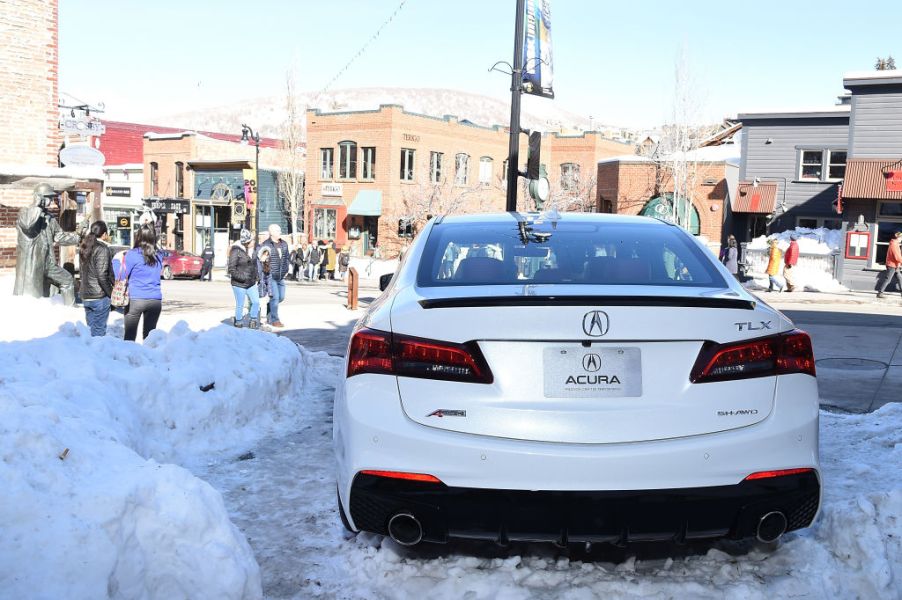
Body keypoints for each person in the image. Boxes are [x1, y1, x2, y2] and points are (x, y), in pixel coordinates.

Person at [14, 183, 81, 305]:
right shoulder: (25, 212)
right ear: (39, 197)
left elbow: (59, 236)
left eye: (51, 197)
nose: (51, 200)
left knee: (67, 280)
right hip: (33, 264)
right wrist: (36, 205)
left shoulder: (50, 217)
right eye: (48, 197)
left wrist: (78, 236)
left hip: (48, 263)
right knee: (32, 299)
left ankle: (69, 312)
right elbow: (28, 225)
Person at [123, 226, 163, 342]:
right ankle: (149, 358)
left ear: (138, 237)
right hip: (155, 300)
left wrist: (116, 261)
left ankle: (128, 358)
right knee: (149, 337)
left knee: (130, 336)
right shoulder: (159, 255)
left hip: (136, 299)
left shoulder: (132, 254)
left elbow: (121, 275)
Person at [78, 221, 114, 336]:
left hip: (86, 296)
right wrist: (111, 294)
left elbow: (82, 272)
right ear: (104, 234)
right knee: (98, 333)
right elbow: (102, 275)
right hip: (99, 296)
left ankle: (89, 353)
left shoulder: (84, 246)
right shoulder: (102, 249)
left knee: (90, 332)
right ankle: (97, 354)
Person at [228, 228, 260, 328]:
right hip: (239, 283)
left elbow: (254, 265)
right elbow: (231, 269)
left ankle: (253, 320)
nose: (254, 242)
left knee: (256, 302)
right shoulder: (235, 251)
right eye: (252, 240)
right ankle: (238, 322)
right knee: (240, 304)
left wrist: (256, 277)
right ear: (247, 242)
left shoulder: (252, 250)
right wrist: (242, 277)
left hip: (251, 282)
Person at [261, 224, 290, 328]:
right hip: (271, 276)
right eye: (278, 230)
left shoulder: (284, 244)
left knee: (281, 297)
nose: (280, 232)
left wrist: (286, 269)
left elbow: (287, 258)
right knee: (275, 297)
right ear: (271, 232)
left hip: (281, 276)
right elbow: (261, 259)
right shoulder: (266, 244)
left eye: (280, 230)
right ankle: (275, 320)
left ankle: (270, 307)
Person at [877, 230, 902, 298]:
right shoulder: (894, 244)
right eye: (901, 238)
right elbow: (897, 256)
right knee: (888, 279)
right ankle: (880, 293)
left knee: (900, 278)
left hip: (895, 265)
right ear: (899, 238)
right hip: (892, 265)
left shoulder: (895, 244)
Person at [256, 246, 272, 320]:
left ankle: (263, 321)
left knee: (263, 305)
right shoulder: (256, 263)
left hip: (263, 289)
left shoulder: (267, 265)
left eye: (267, 255)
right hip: (255, 288)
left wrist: (270, 292)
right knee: (255, 305)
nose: (265, 256)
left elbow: (269, 279)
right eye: (264, 254)